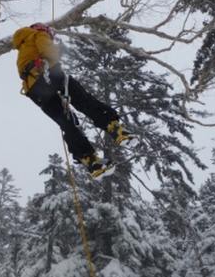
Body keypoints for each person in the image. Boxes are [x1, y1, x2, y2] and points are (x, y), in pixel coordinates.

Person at [13, 23, 137, 179]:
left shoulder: (22, 49)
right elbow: (47, 48)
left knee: (66, 122)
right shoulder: (36, 34)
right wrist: (55, 62)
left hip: (34, 91)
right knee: (83, 100)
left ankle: (89, 159)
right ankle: (114, 127)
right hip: (48, 75)